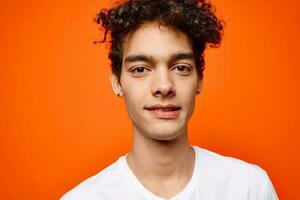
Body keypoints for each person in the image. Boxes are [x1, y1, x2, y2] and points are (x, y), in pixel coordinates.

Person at [61, 0, 278, 199]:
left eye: (181, 68)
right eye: (140, 69)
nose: (164, 86)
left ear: (199, 79)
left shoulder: (250, 188)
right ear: (117, 82)